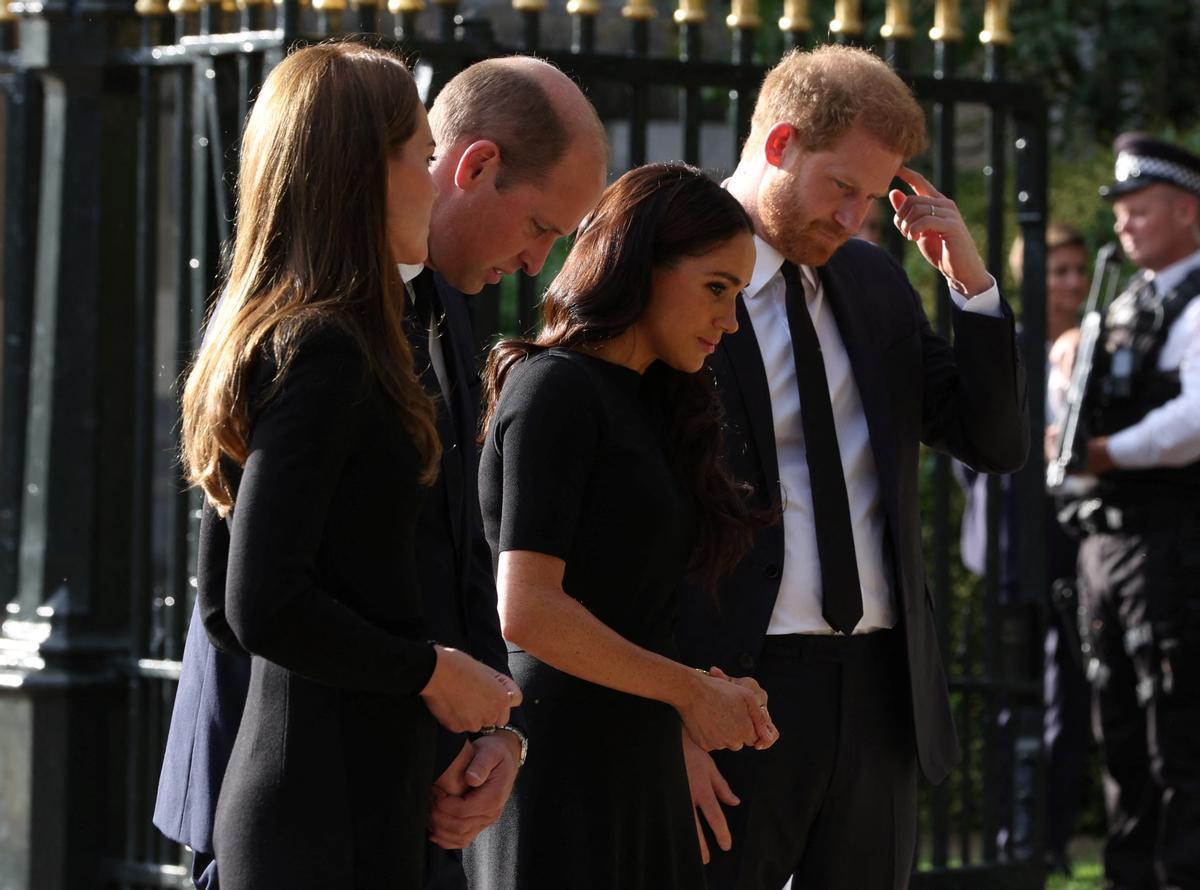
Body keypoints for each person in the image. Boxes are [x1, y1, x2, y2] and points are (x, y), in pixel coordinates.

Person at [153, 52, 608, 890]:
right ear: (366, 171)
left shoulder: (420, 315)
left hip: (399, 803)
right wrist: (430, 674)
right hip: (318, 812)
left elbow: (457, 550)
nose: (431, 178)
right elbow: (247, 602)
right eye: (417, 152)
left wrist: (498, 729)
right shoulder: (321, 343)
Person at [674, 44, 1029, 890]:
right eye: (843, 187)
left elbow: (994, 442)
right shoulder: (667, 269)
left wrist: (971, 285)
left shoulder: (871, 281)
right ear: (780, 142)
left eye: (873, 197)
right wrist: (667, 713)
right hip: (731, 687)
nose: (856, 218)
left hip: (878, 691)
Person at [466, 162, 778, 890]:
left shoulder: (656, 401)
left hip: (637, 759)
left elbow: (632, 609)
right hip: (559, 766)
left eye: (737, 295)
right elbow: (528, 610)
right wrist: (692, 695)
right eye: (715, 288)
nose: (729, 321)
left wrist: (703, 695)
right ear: (640, 266)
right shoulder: (554, 388)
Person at [1057, 133, 1200, 890]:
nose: (1123, 225)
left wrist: (1109, 452)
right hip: (1106, 545)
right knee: (1117, 727)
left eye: (1140, 210)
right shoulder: (1123, 304)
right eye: (1121, 211)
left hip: (1170, 542)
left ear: (1187, 211)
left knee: (1173, 727)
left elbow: (1195, 423)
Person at [958, 222, 1090, 870]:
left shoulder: (1087, 349)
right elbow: (969, 446)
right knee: (1007, 699)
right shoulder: (1003, 346)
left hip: (1070, 549)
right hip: (1008, 548)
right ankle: (1008, 845)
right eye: (1056, 270)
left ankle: (1050, 844)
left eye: (1077, 271)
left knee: (1067, 697)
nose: (1070, 283)